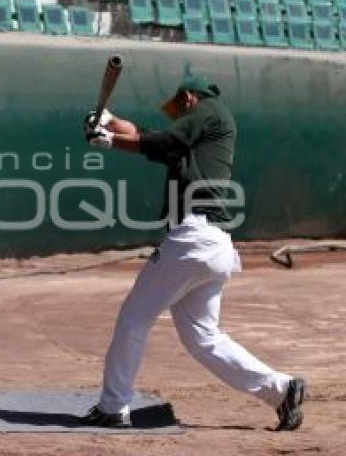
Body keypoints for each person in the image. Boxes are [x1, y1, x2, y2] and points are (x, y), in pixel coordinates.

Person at [79, 69, 306, 431]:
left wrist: (108, 141)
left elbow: (162, 140)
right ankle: (281, 390)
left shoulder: (209, 109)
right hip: (211, 243)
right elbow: (146, 137)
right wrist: (106, 122)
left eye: (180, 108)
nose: (180, 115)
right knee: (204, 339)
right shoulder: (195, 145)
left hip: (193, 240)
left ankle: (113, 406)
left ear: (189, 98)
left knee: (134, 318)